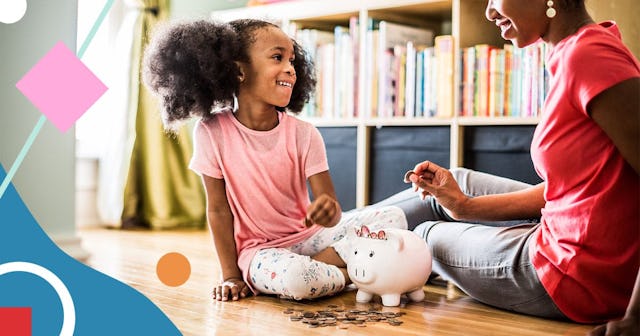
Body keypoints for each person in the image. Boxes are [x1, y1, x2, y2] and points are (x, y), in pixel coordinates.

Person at [376, 0, 639, 334]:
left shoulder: (588, 57)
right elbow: (578, 184)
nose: (489, 12)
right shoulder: (578, 48)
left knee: (425, 234)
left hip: (579, 277)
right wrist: (464, 206)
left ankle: (325, 251)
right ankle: (323, 241)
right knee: (455, 183)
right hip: (569, 236)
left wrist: (636, 317)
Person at [142, 19, 406, 302]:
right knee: (297, 280)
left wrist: (327, 209)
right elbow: (218, 211)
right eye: (277, 57)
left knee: (394, 217)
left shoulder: (305, 134)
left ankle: (336, 268)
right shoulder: (211, 132)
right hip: (260, 253)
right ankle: (355, 271)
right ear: (238, 70)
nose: (290, 68)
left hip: (311, 238)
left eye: (292, 60)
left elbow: (330, 206)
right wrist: (230, 275)